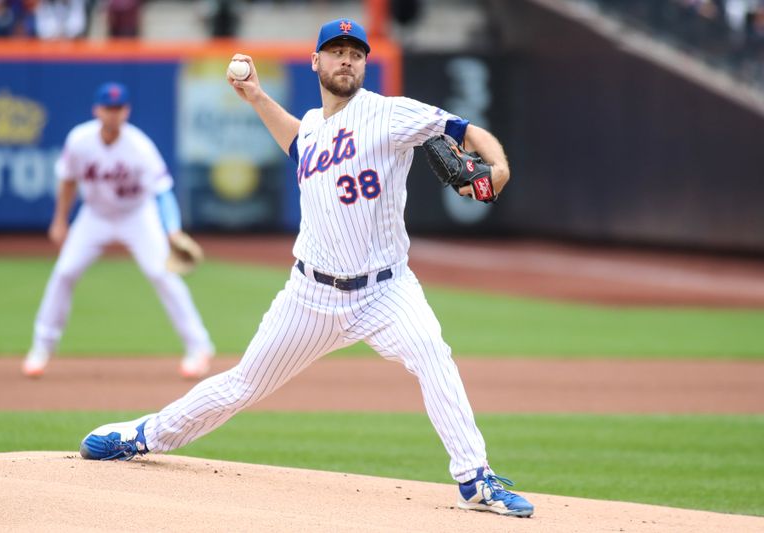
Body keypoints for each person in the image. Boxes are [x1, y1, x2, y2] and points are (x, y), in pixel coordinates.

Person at [78, 20, 534, 518]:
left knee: (433, 355)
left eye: (355, 53)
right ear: (315, 62)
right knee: (242, 384)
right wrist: (254, 97)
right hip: (310, 296)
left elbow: (468, 132)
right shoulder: (314, 126)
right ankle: (141, 436)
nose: (346, 60)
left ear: (365, 63)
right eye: (335, 51)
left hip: (387, 291)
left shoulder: (391, 113)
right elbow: (298, 141)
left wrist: (499, 167)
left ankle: (474, 479)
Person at [23, 82, 215, 379]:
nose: (113, 114)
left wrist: (172, 230)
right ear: (97, 110)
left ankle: (199, 347)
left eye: (118, 108)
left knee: (162, 273)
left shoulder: (140, 147)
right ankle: (42, 347)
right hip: (95, 215)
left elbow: (163, 192)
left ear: (127, 111)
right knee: (64, 272)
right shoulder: (80, 140)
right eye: (108, 108)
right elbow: (68, 180)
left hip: (136, 215)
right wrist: (60, 219)